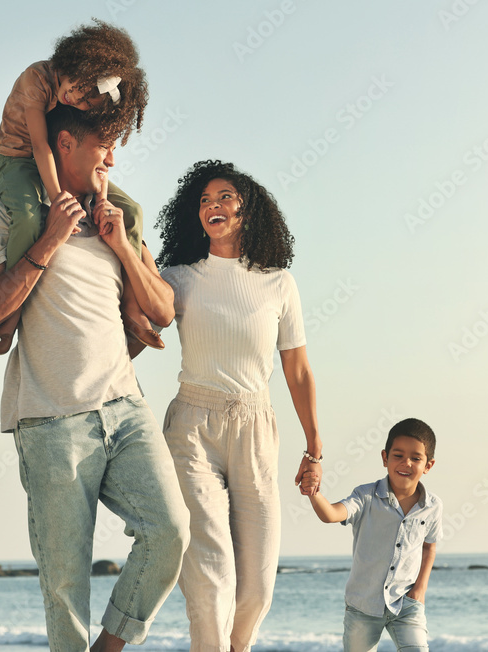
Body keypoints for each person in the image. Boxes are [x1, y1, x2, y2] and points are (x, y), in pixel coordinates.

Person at [0, 104, 189, 652]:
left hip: (125, 407)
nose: (113, 158)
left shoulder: (118, 218)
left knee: (170, 533)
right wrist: (50, 238)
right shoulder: (6, 216)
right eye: (103, 144)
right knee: (66, 587)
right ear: (64, 143)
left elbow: (164, 308)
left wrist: (122, 247)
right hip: (49, 422)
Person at [154, 159, 323, 652]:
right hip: (192, 426)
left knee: (256, 589)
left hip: (256, 427)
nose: (213, 206)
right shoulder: (178, 278)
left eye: (224, 197)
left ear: (248, 210)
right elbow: (138, 329)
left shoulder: (278, 282)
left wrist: (314, 448)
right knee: (210, 578)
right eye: (204, 200)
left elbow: (298, 370)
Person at [0, 18, 163, 355]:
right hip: (18, 160)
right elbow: (40, 147)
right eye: (79, 88)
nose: (76, 99)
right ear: (77, 63)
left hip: (55, 158)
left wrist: (101, 197)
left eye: (85, 103)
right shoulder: (36, 80)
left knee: (132, 211)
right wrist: (59, 200)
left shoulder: (80, 102)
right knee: (28, 218)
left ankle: (130, 306)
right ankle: (10, 314)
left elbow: (94, 156)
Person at [303, 418, 442, 652]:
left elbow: (429, 546)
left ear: (428, 465)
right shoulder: (365, 496)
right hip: (363, 606)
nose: (406, 463)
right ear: (385, 458)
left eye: (416, 458)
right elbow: (331, 514)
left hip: (406, 605)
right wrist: (313, 493)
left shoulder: (433, 506)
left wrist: (420, 590)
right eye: (398, 455)